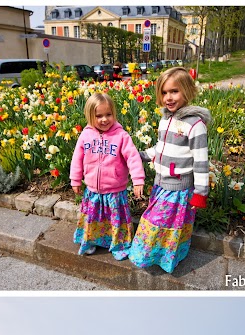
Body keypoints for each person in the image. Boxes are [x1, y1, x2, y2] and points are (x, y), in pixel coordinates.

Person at [127, 67, 210, 274]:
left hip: (179, 188)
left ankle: (152, 256)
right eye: (164, 92)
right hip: (160, 184)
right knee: (165, 225)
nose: (168, 98)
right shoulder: (166, 119)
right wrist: (143, 155)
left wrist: (200, 193)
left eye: (174, 91)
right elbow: (161, 147)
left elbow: (201, 161)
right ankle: (160, 255)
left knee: (160, 225)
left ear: (187, 91)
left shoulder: (195, 125)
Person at [70, 92, 145, 259]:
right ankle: (91, 241)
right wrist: (75, 179)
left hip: (115, 191)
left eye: (108, 114)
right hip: (93, 191)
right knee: (93, 219)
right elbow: (77, 158)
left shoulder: (121, 136)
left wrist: (138, 180)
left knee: (116, 220)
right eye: (99, 116)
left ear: (114, 114)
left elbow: (133, 157)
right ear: (90, 116)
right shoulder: (86, 135)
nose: (104, 119)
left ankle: (119, 244)